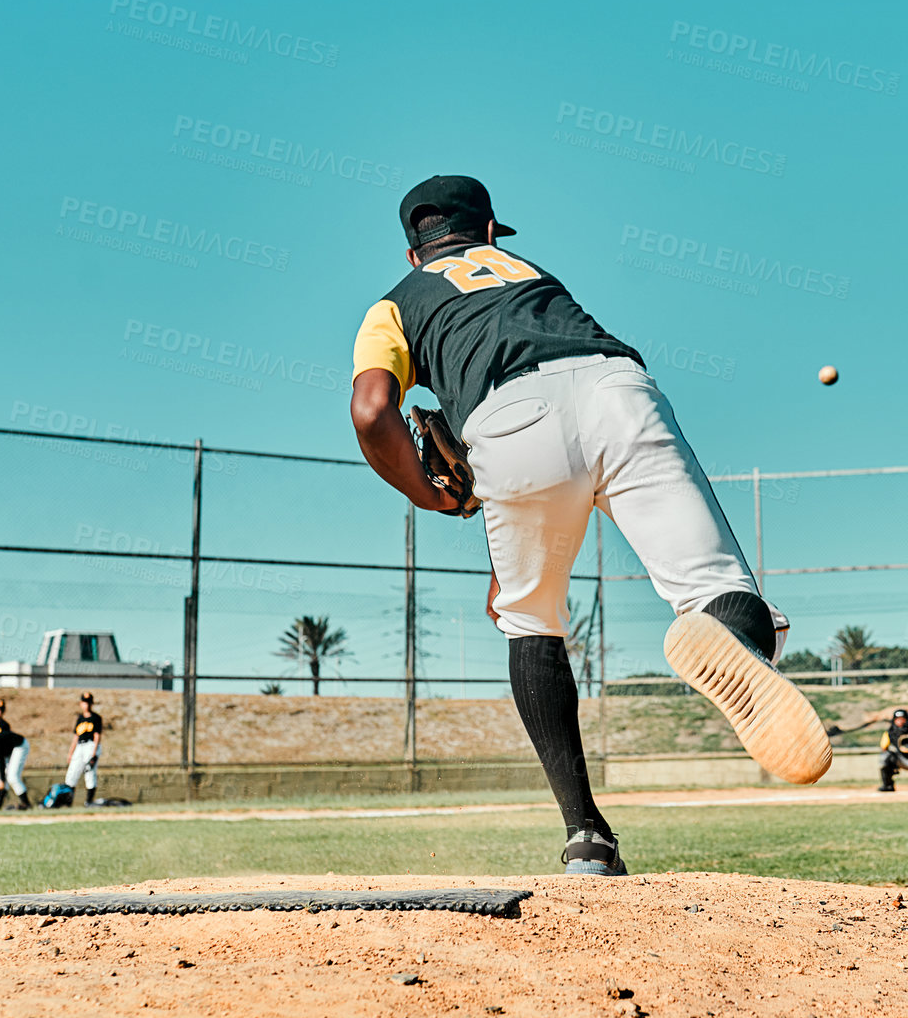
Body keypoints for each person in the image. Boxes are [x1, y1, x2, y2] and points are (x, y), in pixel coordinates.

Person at [349, 176, 831, 876]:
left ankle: (587, 837)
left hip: (504, 426)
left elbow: (372, 411)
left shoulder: (394, 305)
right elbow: (558, 385)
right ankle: (726, 636)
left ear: (411, 253)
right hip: (615, 390)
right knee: (722, 593)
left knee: (529, 620)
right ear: (488, 232)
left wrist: (430, 495)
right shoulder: (532, 275)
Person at [64, 692, 103, 806]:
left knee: (89, 772)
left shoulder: (96, 718)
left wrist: (94, 754)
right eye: (85, 702)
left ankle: (89, 802)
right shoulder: (80, 718)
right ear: (81, 704)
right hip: (79, 746)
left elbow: (97, 736)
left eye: (89, 702)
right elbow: (76, 737)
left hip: (90, 746)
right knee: (72, 773)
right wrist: (70, 753)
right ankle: (68, 802)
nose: (87, 705)